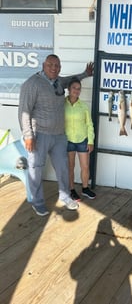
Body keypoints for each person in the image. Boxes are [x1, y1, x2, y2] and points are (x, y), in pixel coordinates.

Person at [18, 54, 94, 216]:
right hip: (39, 135)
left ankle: (65, 196)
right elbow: (24, 111)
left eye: (57, 65)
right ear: (43, 65)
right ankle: (37, 202)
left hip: (59, 135)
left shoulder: (59, 81)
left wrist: (85, 74)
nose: (54, 68)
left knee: (63, 167)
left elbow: (72, 79)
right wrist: (28, 135)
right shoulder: (32, 84)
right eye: (51, 65)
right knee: (36, 169)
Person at [65, 77, 95, 201]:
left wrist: (91, 141)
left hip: (82, 139)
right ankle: (71, 190)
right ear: (68, 89)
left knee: (85, 166)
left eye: (79, 89)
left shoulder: (84, 106)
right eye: (74, 88)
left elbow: (89, 124)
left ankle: (85, 188)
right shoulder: (61, 104)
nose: (76, 91)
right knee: (70, 167)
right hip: (68, 140)